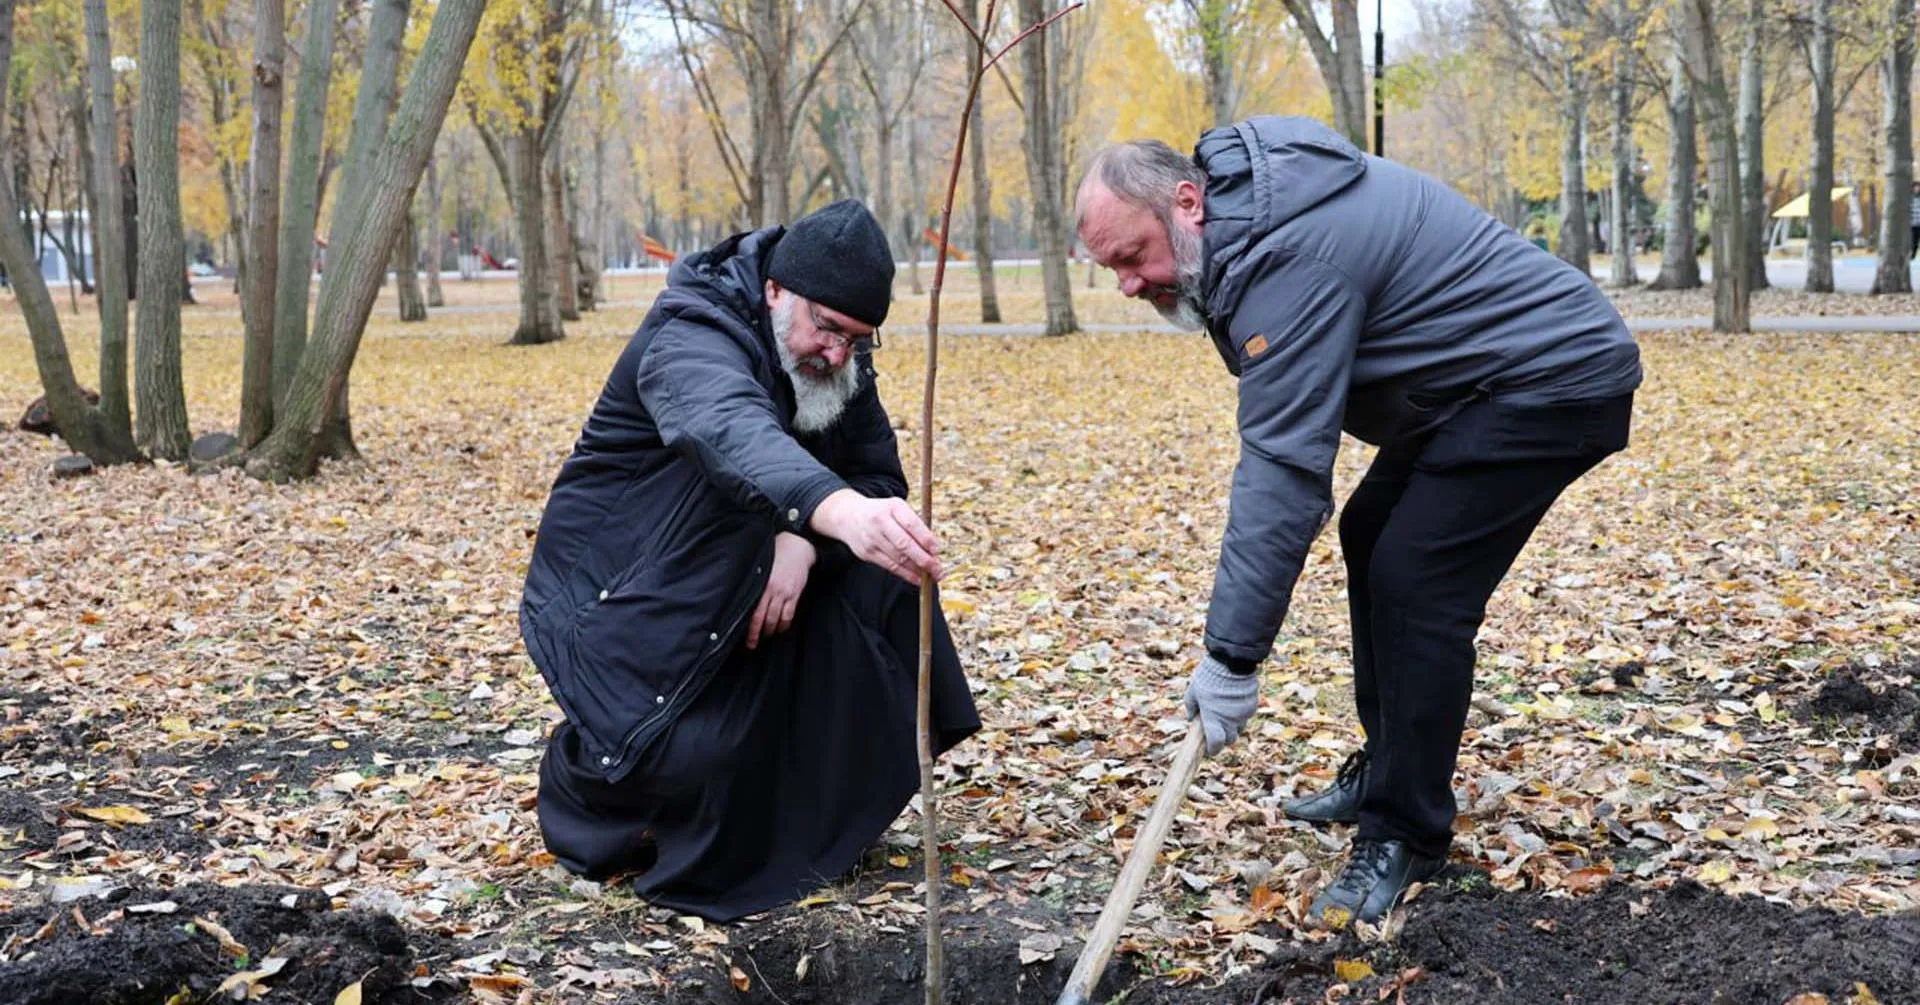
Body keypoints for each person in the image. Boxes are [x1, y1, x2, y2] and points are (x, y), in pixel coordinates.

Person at [1075, 117, 1641, 927]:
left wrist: (1231, 657)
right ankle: (1388, 769)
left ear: (1188, 203)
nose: (1129, 284)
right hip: (1468, 385)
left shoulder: (1286, 255)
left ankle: (1405, 829)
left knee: (1416, 581)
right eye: (1112, 271)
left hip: (1551, 379)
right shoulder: (1248, 231)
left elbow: (1283, 470)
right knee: (1371, 531)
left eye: (1132, 257)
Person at [519, 199, 979, 921]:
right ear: (774, 291)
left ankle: (809, 821)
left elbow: (877, 475)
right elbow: (730, 427)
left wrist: (802, 540)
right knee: (698, 764)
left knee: (890, 578)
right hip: (626, 602)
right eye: (826, 328)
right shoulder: (691, 332)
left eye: (858, 340)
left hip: (740, 581)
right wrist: (833, 511)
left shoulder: (837, 358)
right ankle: (591, 782)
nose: (835, 354)